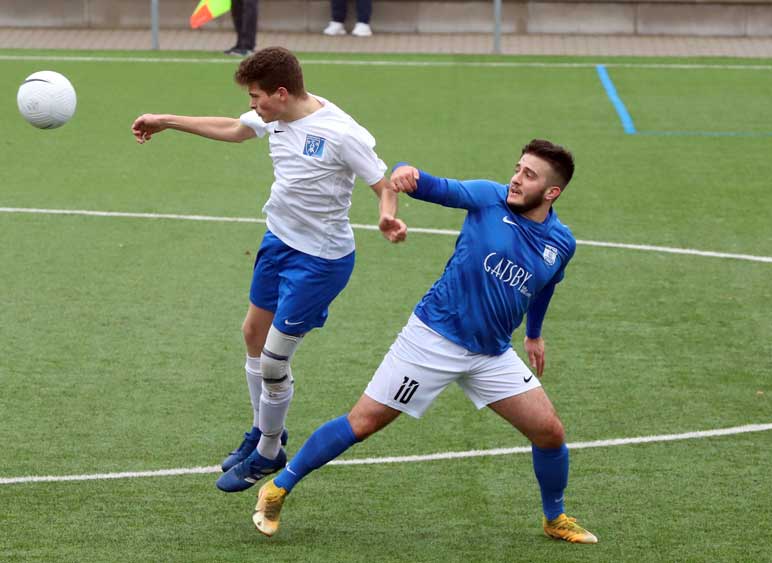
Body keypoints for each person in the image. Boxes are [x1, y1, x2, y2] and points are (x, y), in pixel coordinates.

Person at [250, 139, 598, 544]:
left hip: (491, 353)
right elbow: (433, 186)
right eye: (518, 169)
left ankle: (554, 518)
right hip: (432, 338)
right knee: (362, 423)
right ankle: (277, 488)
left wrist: (534, 334)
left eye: (529, 175)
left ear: (552, 192)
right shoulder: (489, 199)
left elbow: (544, 288)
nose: (516, 179)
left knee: (550, 432)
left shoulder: (562, 243)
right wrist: (406, 174)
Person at [130, 47, 408, 491]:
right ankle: (261, 431)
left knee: (275, 361)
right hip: (277, 242)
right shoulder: (274, 115)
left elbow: (383, 183)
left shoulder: (340, 133)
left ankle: (268, 451)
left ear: (281, 93)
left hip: (320, 261)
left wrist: (386, 215)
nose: (253, 104)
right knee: (252, 336)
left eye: (257, 96)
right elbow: (236, 128)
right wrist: (166, 120)